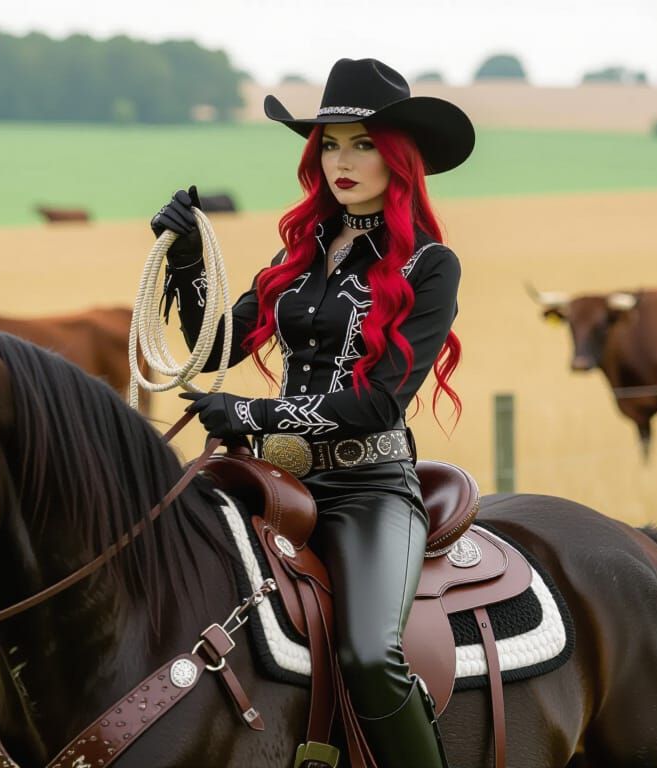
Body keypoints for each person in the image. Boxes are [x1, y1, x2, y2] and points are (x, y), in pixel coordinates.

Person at [151, 57, 473, 768]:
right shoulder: (299, 254)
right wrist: (186, 265)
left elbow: (379, 401)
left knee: (369, 653)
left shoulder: (430, 265)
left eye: (361, 143)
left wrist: (255, 411)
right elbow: (220, 345)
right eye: (330, 145)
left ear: (398, 156)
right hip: (272, 482)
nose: (342, 161)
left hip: (367, 491)